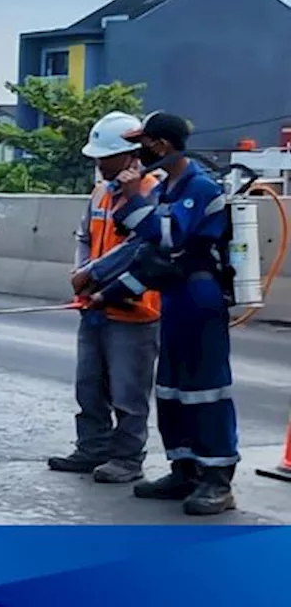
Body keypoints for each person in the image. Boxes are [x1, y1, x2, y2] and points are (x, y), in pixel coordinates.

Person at [78, 112, 239, 516]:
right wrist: (109, 295)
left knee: (206, 390)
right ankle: (183, 468)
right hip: (174, 295)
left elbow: (168, 238)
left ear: (161, 146)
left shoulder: (198, 187)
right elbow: (152, 260)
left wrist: (132, 197)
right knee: (172, 389)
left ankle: (217, 479)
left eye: (143, 144)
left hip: (200, 298)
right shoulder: (170, 187)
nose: (138, 153)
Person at [48, 111, 162, 484]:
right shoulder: (100, 192)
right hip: (93, 305)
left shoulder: (152, 191)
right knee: (89, 384)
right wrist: (78, 274)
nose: (98, 163)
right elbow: (83, 237)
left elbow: (139, 245)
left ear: (131, 155)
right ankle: (92, 448)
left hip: (133, 309)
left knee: (129, 392)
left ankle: (128, 458)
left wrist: (92, 274)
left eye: (105, 156)